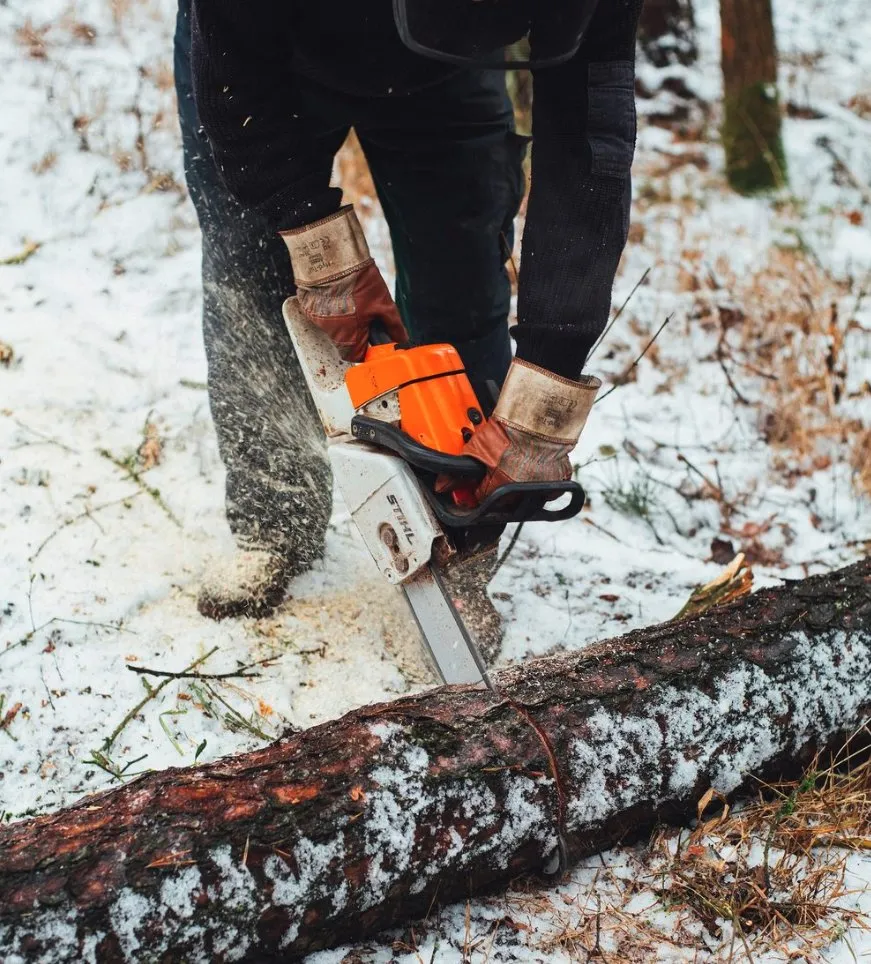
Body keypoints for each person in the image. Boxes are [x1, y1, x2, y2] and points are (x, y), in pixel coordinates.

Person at [175, 0, 643, 622]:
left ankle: (459, 546)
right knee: (253, 272)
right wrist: (316, 243)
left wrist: (547, 385)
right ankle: (273, 524)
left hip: (449, 70)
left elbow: (591, 138)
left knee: (464, 278)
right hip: (260, 57)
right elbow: (237, 76)